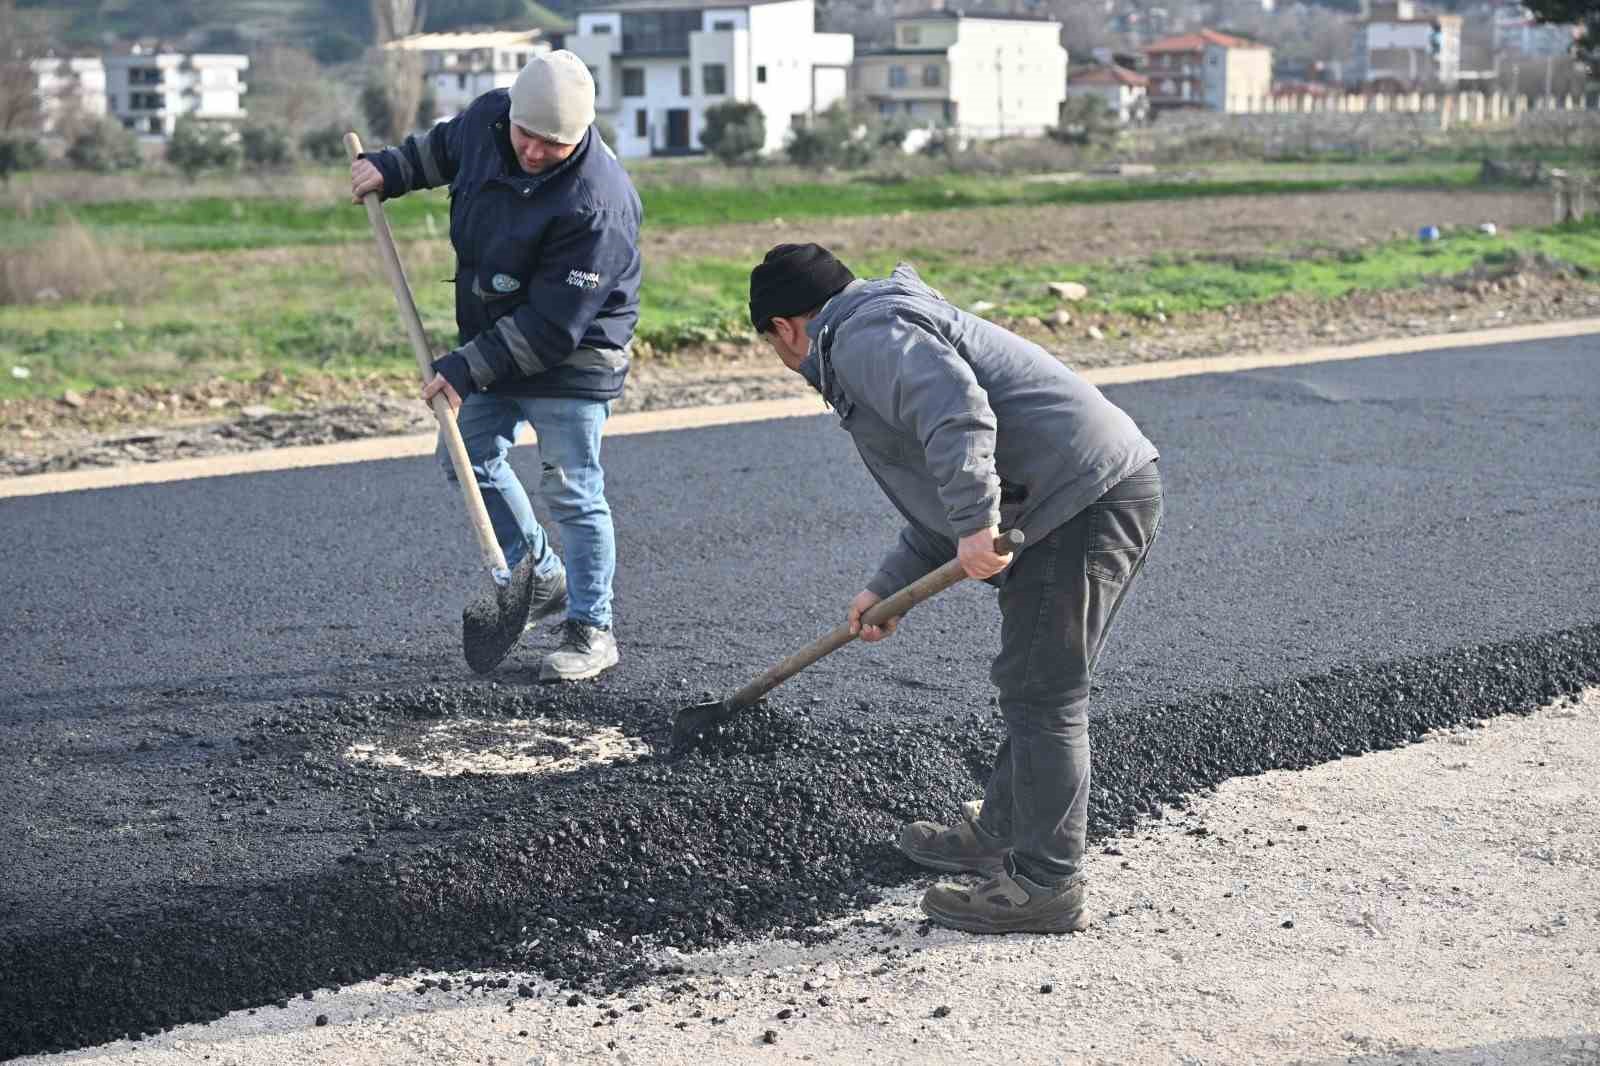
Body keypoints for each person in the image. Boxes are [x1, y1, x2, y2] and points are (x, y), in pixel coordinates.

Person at [748, 244, 1163, 934]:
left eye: (770, 344)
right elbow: (942, 494)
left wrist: (975, 522)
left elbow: (957, 415)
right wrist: (888, 587)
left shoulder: (862, 339)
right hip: (1068, 492)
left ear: (785, 329)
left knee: (1045, 689)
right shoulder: (880, 329)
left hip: (1080, 498)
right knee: (1032, 677)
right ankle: (999, 831)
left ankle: (1045, 885)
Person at [351, 51, 641, 681]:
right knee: (466, 456)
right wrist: (389, 170)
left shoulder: (600, 203)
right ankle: (540, 576)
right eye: (526, 136)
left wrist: (463, 367)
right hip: (493, 332)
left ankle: (592, 628)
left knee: (572, 489)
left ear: (582, 134)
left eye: (554, 144)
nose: (535, 152)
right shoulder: (488, 120)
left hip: (575, 349)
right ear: (510, 114)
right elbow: (442, 150)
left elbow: (552, 325)